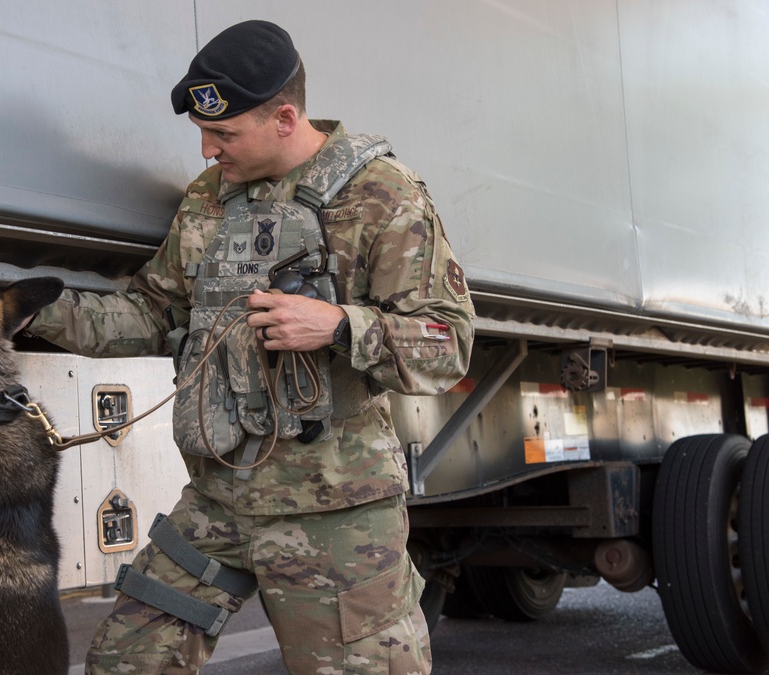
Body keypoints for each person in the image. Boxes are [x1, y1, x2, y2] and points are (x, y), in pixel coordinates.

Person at [25, 19, 474, 674]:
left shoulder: (382, 196)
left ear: (285, 118)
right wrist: (24, 311)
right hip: (219, 499)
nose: (208, 149)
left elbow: (448, 342)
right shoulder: (209, 200)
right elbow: (151, 311)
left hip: (334, 510)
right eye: (203, 132)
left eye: (224, 133)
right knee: (127, 659)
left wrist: (339, 325)